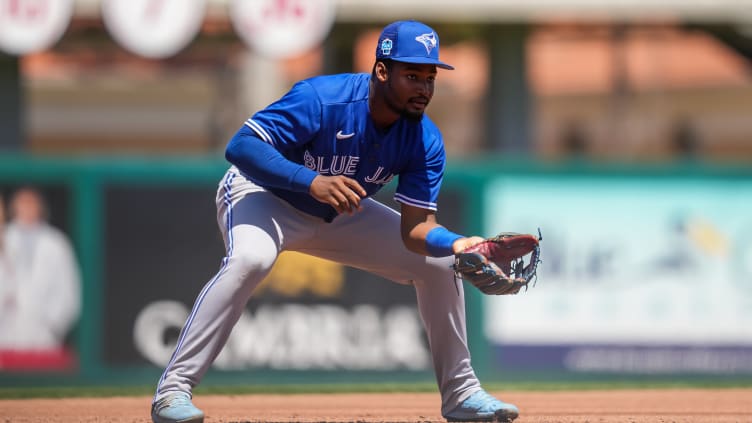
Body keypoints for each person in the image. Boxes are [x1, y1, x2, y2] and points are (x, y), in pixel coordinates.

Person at [151, 20, 520, 423]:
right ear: (382, 70)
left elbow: (416, 230)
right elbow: (241, 145)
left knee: (439, 264)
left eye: (430, 77)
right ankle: (173, 392)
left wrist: (459, 244)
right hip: (263, 194)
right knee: (250, 260)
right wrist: (309, 182)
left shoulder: (423, 139)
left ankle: (462, 394)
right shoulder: (322, 99)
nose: (423, 88)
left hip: (340, 210)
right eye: (412, 75)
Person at [0, 188, 82, 352]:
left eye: (31, 203)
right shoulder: (5, 239)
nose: (27, 208)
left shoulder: (56, 243)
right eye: (23, 203)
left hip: (43, 338)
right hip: (6, 335)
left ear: (40, 207)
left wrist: (52, 326)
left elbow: (68, 290)